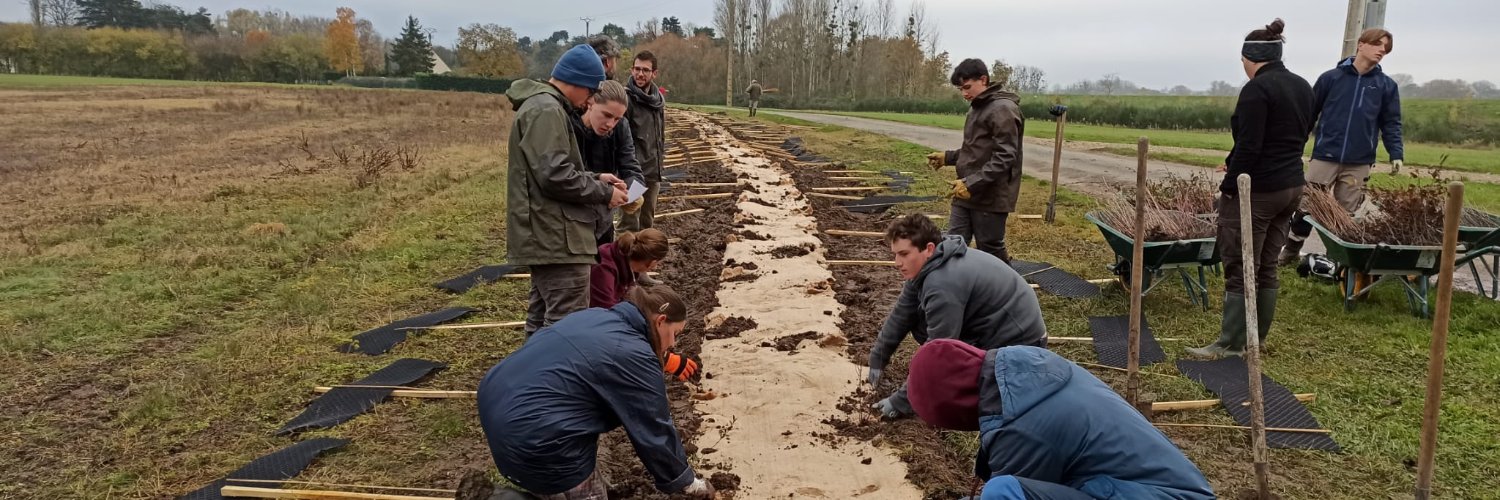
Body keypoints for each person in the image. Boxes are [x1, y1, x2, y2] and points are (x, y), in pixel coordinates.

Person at [477, 286, 713, 499]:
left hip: (500, 409)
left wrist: (662, 358)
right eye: (676, 334)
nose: (673, 344)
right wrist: (688, 482)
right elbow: (654, 427)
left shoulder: (597, 317)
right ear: (661, 321)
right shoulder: (634, 355)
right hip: (536, 438)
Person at [905, 340, 1216, 500]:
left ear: (954, 406)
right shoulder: (1025, 378)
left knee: (1003, 493)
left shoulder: (1022, 428)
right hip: (1156, 490)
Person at [1189, 19, 1313, 359]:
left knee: (1241, 264)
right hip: (1291, 186)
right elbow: (1294, 135)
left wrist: (1229, 186)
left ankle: (1230, 344)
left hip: (1257, 191)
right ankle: (1254, 341)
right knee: (1266, 264)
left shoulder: (1257, 89)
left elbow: (1251, 144)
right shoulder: (1303, 86)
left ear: (1249, 58)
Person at [867, 214, 1047, 419]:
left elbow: (939, 350)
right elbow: (901, 315)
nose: (897, 262)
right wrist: (877, 359)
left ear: (928, 249)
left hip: (1021, 345)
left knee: (947, 372)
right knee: (920, 322)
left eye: (904, 254)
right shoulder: (929, 265)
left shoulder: (943, 284)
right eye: (895, 254)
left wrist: (900, 402)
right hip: (992, 326)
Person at [505, 44, 629, 336]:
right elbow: (554, 176)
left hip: (550, 236)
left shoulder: (543, 107)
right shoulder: (547, 110)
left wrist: (597, 177)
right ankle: (554, 382)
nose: (588, 101)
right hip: (557, 238)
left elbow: (549, 170)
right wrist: (603, 192)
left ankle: (532, 379)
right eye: (589, 92)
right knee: (565, 328)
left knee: (541, 323)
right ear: (578, 82)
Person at [1280, 27, 1405, 265]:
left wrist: (1396, 152)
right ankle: (1291, 251)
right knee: (1307, 205)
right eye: (1378, 44)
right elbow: (1310, 114)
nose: (1382, 50)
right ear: (1361, 44)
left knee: (1346, 214)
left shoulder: (1386, 86)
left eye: (1386, 48)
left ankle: (1335, 260)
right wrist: (1296, 143)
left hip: (1359, 162)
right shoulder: (1330, 78)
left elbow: (1391, 123)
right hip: (1325, 156)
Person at [926, 58, 1025, 263]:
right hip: (966, 192)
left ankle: (1005, 292)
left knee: (989, 250)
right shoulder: (977, 107)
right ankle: (951, 288)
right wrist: (948, 157)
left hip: (991, 195)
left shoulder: (1002, 109)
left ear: (984, 79)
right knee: (952, 242)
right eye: (960, 89)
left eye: (967, 87)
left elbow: (1005, 156)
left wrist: (971, 183)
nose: (964, 94)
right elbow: (975, 150)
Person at [571, 79, 645, 245]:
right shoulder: (569, 127)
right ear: (591, 103)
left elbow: (630, 164)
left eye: (617, 118)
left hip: (604, 218)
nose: (610, 124)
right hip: (572, 221)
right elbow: (567, 176)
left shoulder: (621, 128)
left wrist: (633, 190)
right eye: (607, 115)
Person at [621, 50, 667, 233]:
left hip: (653, 173)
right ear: (632, 70)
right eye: (637, 69)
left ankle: (643, 260)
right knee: (629, 224)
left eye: (645, 70)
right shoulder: (626, 100)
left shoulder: (658, 102)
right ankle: (623, 260)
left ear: (654, 73)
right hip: (633, 174)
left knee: (647, 223)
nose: (640, 74)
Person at [590, 228, 668, 308]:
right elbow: (605, 309)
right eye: (657, 263)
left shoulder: (626, 259)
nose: (655, 267)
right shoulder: (604, 270)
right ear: (652, 263)